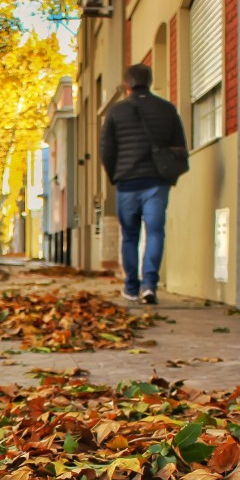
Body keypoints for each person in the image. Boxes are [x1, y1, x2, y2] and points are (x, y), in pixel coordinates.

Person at [99, 64, 188, 305]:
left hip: (127, 182)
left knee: (129, 236)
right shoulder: (167, 109)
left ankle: (130, 287)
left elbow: (106, 149)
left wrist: (114, 176)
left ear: (127, 85)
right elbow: (180, 146)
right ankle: (150, 285)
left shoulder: (116, 112)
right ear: (149, 82)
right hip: (157, 182)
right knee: (155, 232)